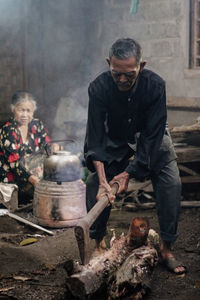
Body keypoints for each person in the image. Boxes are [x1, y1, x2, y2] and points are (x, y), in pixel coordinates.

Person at [84, 38, 186, 274]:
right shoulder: (98, 88)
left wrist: (128, 174)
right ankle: (98, 244)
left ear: (141, 66)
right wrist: (102, 179)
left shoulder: (155, 85)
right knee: (92, 184)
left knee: (172, 183)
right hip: (118, 143)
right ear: (109, 63)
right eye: (116, 73)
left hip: (153, 139)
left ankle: (167, 248)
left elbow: (152, 138)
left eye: (128, 74)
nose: (121, 79)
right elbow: (96, 137)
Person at [0, 91, 58, 201]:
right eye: (21, 110)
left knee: (48, 158)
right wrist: (35, 181)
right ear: (13, 109)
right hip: (14, 177)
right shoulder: (8, 130)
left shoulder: (37, 124)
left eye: (28, 111)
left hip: (32, 173)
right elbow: (14, 164)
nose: (25, 115)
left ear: (33, 111)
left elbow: (46, 146)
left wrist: (54, 147)